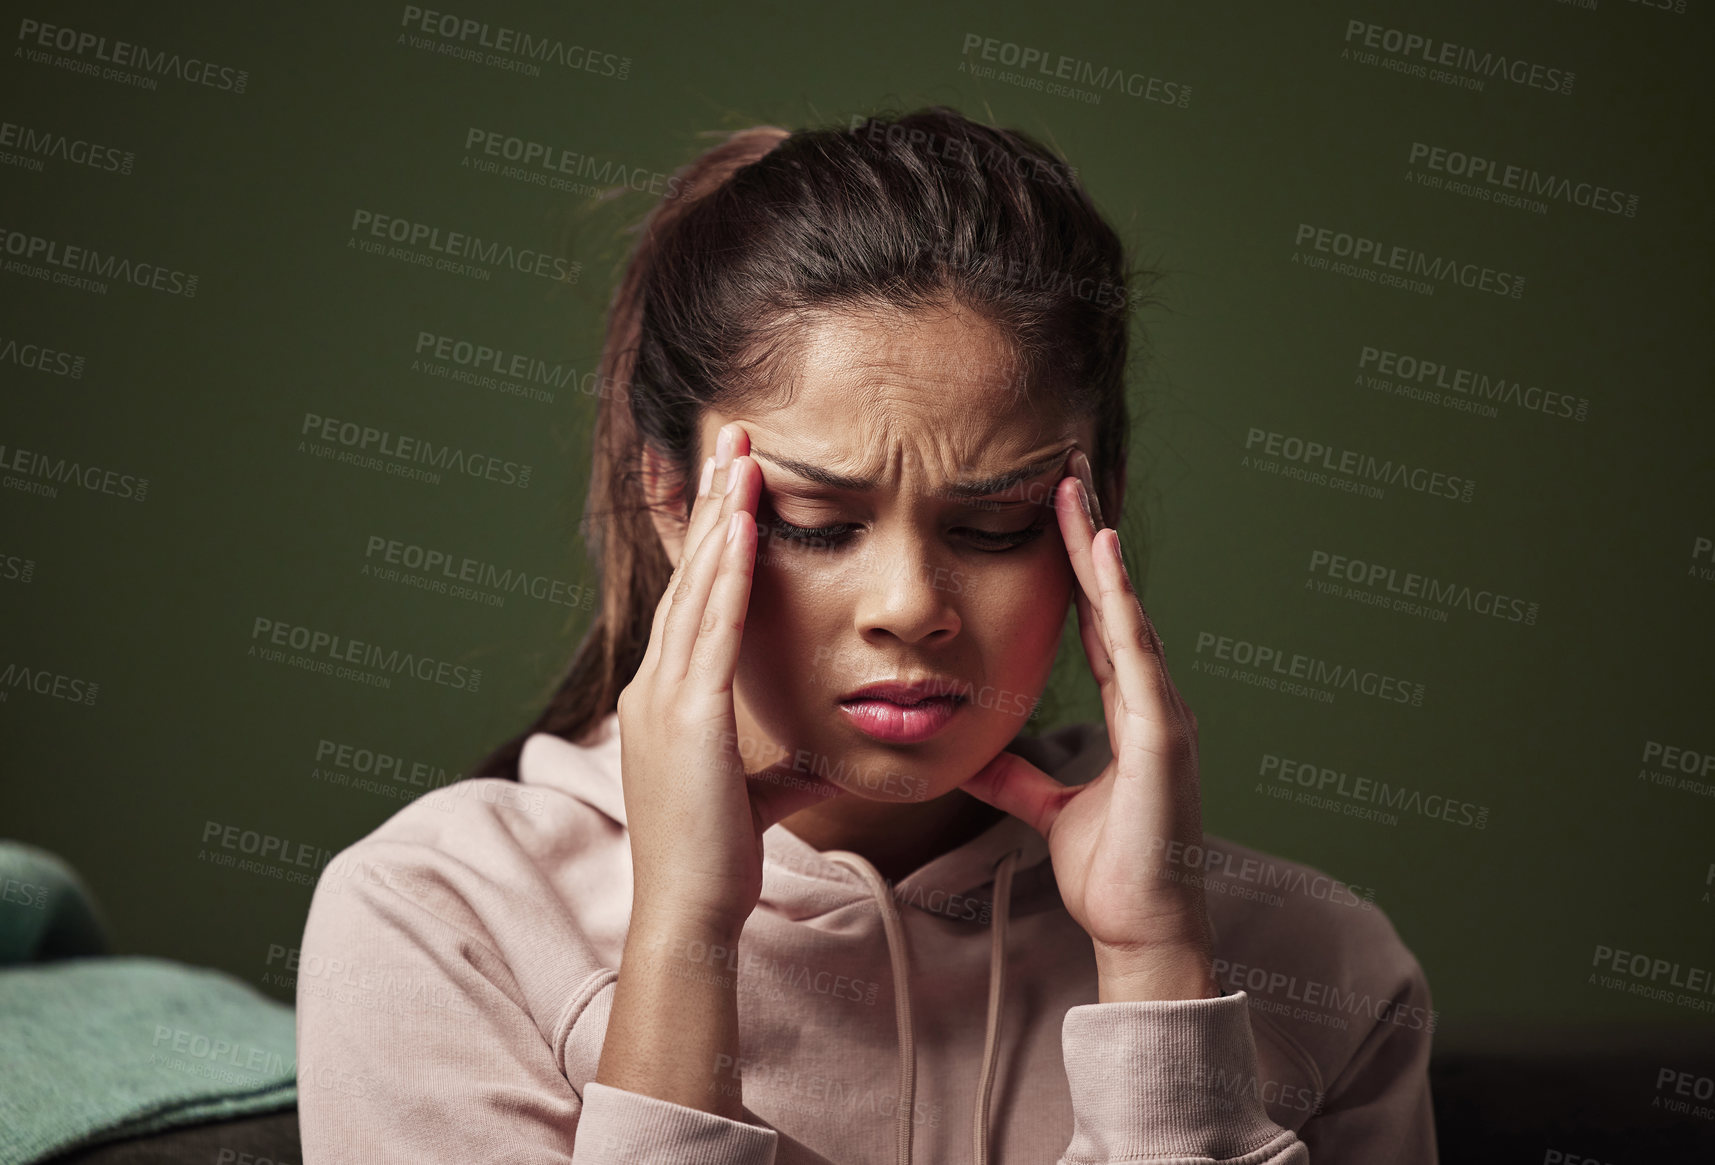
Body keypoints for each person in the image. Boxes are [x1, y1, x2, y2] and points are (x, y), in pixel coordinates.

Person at [295, 106, 1438, 1164]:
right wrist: (684, 934)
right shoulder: (440, 923)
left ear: (1100, 507)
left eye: (991, 525)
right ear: (669, 493)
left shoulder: (1319, 968)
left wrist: (1154, 969)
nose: (908, 604)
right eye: (814, 521)